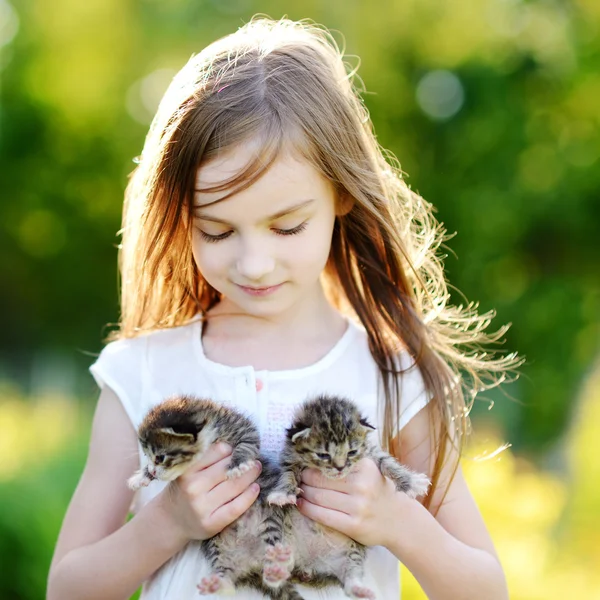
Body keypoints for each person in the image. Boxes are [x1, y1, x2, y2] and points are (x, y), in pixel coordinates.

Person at [47, 16, 520, 600]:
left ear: (341, 193)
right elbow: (66, 588)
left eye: (286, 225)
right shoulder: (142, 372)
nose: (254, 263)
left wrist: (397, 520)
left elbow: (486, 589)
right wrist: (166, 524)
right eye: (217, 232)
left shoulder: (391, 377)